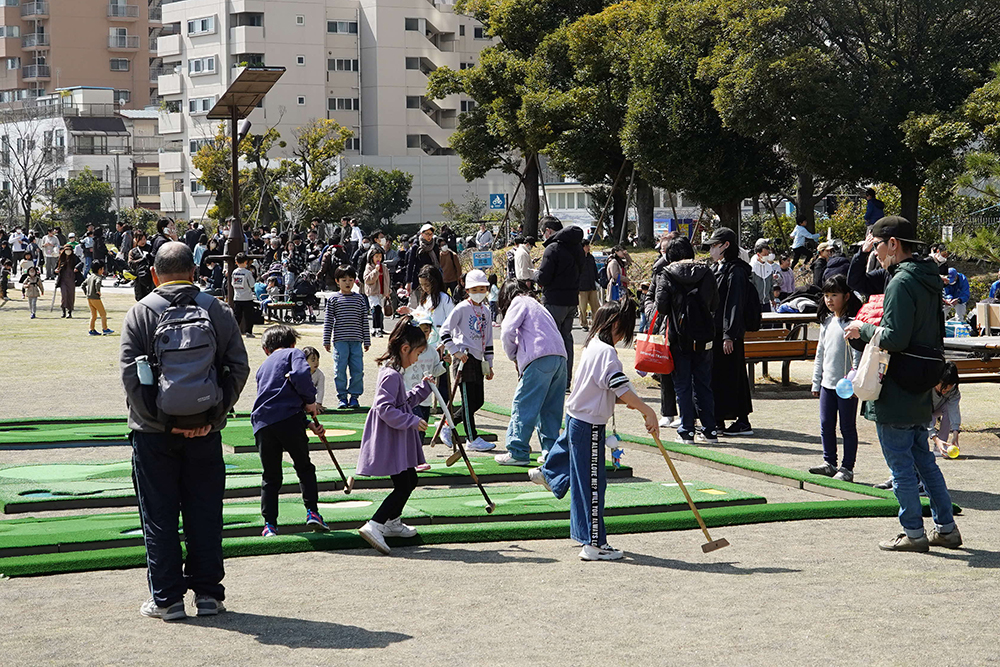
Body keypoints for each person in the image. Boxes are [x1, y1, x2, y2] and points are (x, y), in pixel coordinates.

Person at [120, 241, 249, 621]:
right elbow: (237, 368)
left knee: (159, 516)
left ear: (156, 275)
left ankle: (167, 600)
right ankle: (209, 595)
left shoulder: (140, 313)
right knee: (205, 513)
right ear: (194, 273)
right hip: (206, 431)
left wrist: (166, 423)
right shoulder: (216, 310)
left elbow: (131, 377)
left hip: (153, 433)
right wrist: (211, 417)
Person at [844, 216, 961, 552]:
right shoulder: (927, 277)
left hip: (897, 384)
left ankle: (913, 532)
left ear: (892, 244)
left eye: (878, 246)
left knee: (901, 468)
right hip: (923, 380)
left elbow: (894, 338)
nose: (876, 254)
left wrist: (861, 330)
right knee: (924, 462)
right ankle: (946, 528)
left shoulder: (900, 281)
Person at [530, 298, 659, 561]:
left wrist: (636, 405)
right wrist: (648, 410)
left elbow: (615, 391)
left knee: (584, 485)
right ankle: (594, 543)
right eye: (624, 327)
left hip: (580, 420)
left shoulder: (592, 346)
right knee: (592, 486)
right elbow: (619, 388)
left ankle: (587, 536)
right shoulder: (606, 353)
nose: (625, 334)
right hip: (588, 425)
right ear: (614, 325)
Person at [356, 318, 434, 554]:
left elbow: (402, 402)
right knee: (403, 484)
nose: (418, 358)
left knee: (409, 480)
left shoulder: (394, 373)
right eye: (418, 353)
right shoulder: (391, 375)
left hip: (394, 435)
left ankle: (391, 522)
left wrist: (423, 388)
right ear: (405, 349)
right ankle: (376, 524)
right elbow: (385, 408)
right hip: (390, 437)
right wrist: (412, 421)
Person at [251, 325, 330, 538]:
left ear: (267, 349)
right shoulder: (294, 353)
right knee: (304, 467)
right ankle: (312, 512)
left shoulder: (263, 367)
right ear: (293, 343)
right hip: (288, 420)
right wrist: (310, 401)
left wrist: (307, 422)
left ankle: (269, 525)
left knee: (271, 475)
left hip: (263, 424)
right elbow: (300, 375)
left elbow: (276, 400)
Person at [494, 280, 568, 466]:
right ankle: (550, 451)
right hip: (560, 357)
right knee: (551, 408)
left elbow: (507, 331)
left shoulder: (518, 302)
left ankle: (518, 451)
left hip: (538, 357)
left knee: (524, 404)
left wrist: (513, 355)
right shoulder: (538, 305)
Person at [656, 236, 719, 443]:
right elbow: (714, 303)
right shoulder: (706, 271)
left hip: (678, 336)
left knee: (682, 384)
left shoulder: (667, 273)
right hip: (704, 335)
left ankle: (687, 431)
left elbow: (662, 306)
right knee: (704, 383)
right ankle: (710, 430)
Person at [807, 275, 862, 481]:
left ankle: (847, 467)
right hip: (826, 384)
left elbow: (857, 354)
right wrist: (816, 381)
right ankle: (829, 462)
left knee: (847, 427)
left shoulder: (853, 323)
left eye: (834, 295)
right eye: (826, 295)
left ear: (846, 296)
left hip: (847, 386)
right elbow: (820, 353)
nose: (829, 300)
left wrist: (854, 380)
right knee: (826, 423)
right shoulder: (827, 322)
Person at [707, 227, 754, 436]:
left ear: (725, 245)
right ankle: (722, 420)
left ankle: (739, 421)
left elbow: (734, 304)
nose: (711, 250)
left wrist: (729, 334)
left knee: (731, 375)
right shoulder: (720, 268)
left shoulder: (735, 271)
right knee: (723, 375)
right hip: (719, 332)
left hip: (728, 333)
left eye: (714, 245)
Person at [442, 270, 495, 451]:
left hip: (478, 358)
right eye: (475, 288)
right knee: (466, 398)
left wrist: (489, 364)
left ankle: (448, 425)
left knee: (477, 400)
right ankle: (472, 439)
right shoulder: (461, 308)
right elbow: (445, 331)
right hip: (464, 357)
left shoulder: (486, 311)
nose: (480, 292)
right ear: (468, 289)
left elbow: (488, 339)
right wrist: (455, 351)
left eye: (483, 288)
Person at [536, 216, 584, 391]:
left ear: (548, 231)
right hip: (572, 300)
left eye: (542, 233)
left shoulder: (552, 248)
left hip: (554, 300)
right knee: (567, 339)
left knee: (551, 341)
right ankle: (566, 381)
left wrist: (534, 275)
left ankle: (553, 381)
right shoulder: (577, 247)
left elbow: (543, 277)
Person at [322, 264, 371, 409]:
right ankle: (342, 397)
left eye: (350, 279)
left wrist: (367, 340)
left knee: (357, 370)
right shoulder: (333, 299)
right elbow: (328, 321)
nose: (347, 282)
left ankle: (354, 396)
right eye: (344, 280)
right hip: (340, 342)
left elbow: (364, 320)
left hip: (356, 341)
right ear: (337, 281)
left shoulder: (360, 299)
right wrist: (326, 340)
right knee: (340, 370)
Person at [403, 309, 447, 423]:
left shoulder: (432, 351)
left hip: (425, 399)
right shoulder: (406, 351)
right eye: (421, 331)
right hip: (409, 397)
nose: (424, 335)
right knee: (413, 430)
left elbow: (435, 371)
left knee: (422, 430)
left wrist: (444, 364)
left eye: (426, 331)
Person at [928, 362, 961, 456]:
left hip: (937, 409)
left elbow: (954, 411)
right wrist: (934, 437)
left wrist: (955, 434)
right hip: (921, 412)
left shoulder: (954, 391)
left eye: (947, 390)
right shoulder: (926, 387)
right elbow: (923, 414)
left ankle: (941, 446)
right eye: (942, 388)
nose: (944, 392)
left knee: (948, 408)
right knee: (930, 420)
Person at [405, 223, 440, 306]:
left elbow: (438, 263)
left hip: (432, 278)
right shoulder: (416, 247)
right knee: (420, 303)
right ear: (421, 234)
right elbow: (410, 265)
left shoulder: (434, 246)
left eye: (431, 234)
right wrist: (408, 282)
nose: (429, 236)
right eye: (426, 234)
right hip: (419, 279)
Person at [364, 245, 392, 338]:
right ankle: (376, 329)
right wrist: (375, 271)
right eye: (376, 256)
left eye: (380, 256)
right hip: (372, 292)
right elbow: (368, 280)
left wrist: (388, 291)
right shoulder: (369, 267)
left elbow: (387, 280)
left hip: (381, 292)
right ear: (372, 257)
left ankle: (378, 328)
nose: (378, 258)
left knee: (380, 311)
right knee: (376, 309)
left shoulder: (384, 267)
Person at [82, 260, 113, 336]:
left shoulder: (90, 277)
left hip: (89, 298)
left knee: (93, 315)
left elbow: (83, 285)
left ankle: (91, 329)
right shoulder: (98, 277)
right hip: (95, 298)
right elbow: (98, 283)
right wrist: (98, 291)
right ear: (100, 269)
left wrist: (86, 293)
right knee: (103, 314)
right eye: (102, 269)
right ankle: (105, 329)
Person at [231, 252, 257, 339]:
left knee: (237, 316)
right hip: (247, 297)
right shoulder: (248, 273)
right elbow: (252, 284)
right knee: (248, 316)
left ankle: (233, 331)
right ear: (246, 262)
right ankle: (248, 331)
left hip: (237, 297)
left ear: (236, 262)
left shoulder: (234, 272)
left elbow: (232, 283)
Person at [749, 239, 780, 312]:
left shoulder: (769, 267)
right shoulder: (752, 267)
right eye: (764, 254)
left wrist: (772, 299)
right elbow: (750, 287)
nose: (766, 256)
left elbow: (771, 284)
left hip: (766, 302)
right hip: (755, 303)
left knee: (767, 323)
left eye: (767, 254)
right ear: (758, 254)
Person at [578, 238, 600, 330]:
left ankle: (596, 323)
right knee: (582, 308)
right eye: (587, 246)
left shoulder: (591, 257)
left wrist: (597, 281)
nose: (588, 247)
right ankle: (584, 324)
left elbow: (595, 270)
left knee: (596, 306)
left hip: (592, 285)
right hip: (582, 287)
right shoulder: (578, 258)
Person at [55, 243, 81, 318]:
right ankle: (63, 311)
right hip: (63, 279)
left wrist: (77, 268)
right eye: (67, 250)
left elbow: (80, 263)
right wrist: (56, 270)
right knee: (64, 295)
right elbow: (56, 267)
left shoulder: (74, 258)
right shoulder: (61, 258)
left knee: (70, 295)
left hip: (71, 279)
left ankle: (70, 311)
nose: (68, 251)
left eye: (69, 250)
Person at [128, 232, 155, 301]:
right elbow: (130, 263)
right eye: (141, 239)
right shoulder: (133, 251)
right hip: (139, 278)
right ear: (136, 240)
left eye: (144, 239)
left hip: (150, 276)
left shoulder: (151, 249)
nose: (143, 241)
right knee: (140, 298)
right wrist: (141, 260)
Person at [302, 346, 327, 413]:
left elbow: (320, 390)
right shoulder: (299, 373)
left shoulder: (320, 375)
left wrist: (318, 403)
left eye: (317, 360)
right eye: (313, 360)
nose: (316, 363)